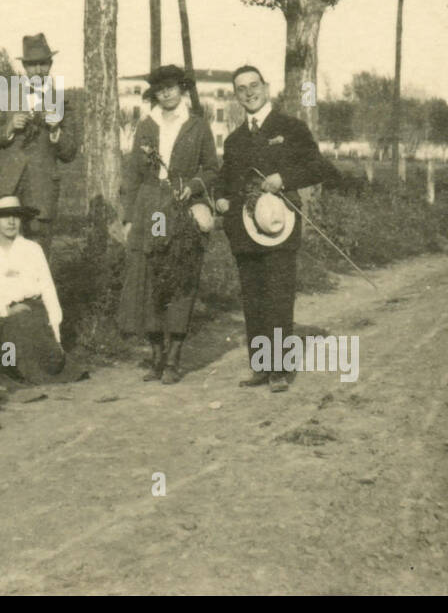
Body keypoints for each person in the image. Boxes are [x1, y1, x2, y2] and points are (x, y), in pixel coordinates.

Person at [213, 65, 330, 394]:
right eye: (241, 88)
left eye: (254, 85)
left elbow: (317, 165)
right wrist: (220, 198)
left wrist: (284, 179)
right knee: (253, 299)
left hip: (279, 226)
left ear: (266, 87)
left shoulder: (289, 127)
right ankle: (262, 367)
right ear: (236, 96)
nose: (249, 92)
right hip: (244, 230)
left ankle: (281, 369)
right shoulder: (235, 139)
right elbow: (224, 178)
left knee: (278, 297)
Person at [117, 65, 219, 384]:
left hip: (181, 209)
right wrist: (129, 218)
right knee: (149, 278)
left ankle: (174, 358)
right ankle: (156, 356)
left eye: (172, 87)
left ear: (183, 89)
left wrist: (194, 185)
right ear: (154, 94)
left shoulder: (198, 126)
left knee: (178, 277)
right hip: (150, 208)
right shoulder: (146, 125)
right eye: (160, 89)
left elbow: (212, 168)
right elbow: (133, 174)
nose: (166, 93)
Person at [0, 194, 85, 384]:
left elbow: (48, 290)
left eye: (16, 216)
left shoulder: (32, 249)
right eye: (5, 216)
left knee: (53, 362)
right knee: (10, 335)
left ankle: (32, 366)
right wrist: (4, 310)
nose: (11, 221)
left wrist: (56, 334)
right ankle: (10, 368)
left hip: (33, 313)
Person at [0, 33, 79, 259]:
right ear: (24, 67)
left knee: (38, 254)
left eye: (43, 64)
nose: (38, 70)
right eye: (32, 65)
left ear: (50, 65)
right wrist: (9, 128)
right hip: (7, 186)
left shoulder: (62, 102)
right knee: (0, 252)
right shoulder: (5, 96)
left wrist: (56, 131)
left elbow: (71, 152)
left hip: (42, 190)